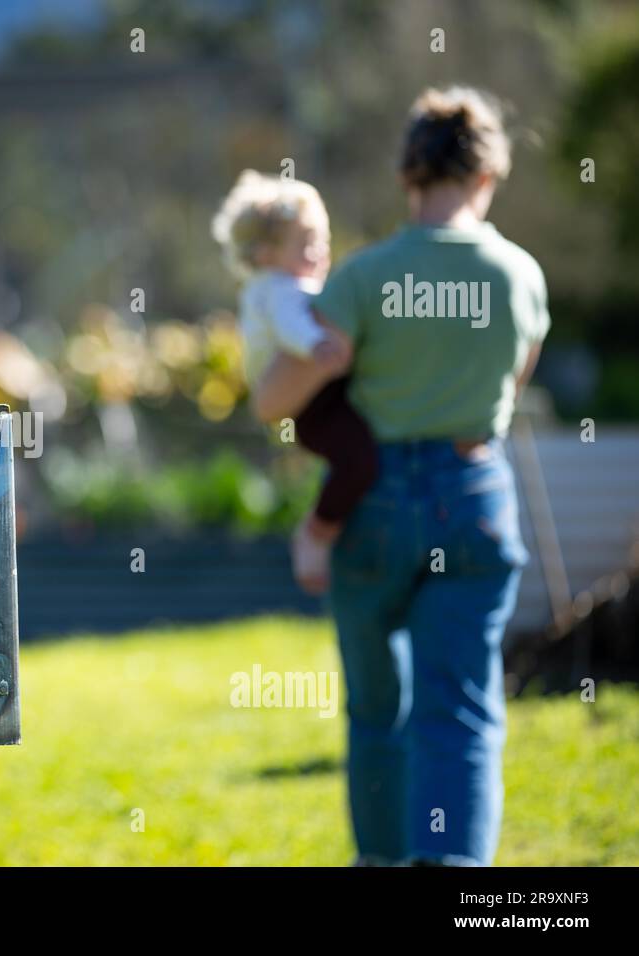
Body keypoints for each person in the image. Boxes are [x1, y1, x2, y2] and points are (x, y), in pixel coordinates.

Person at [250, 86, 551, 866]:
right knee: (459, 711)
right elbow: (510, 390)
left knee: (378, 711)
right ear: (487, 177)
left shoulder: (362, 277)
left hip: (373, 502)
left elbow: (276, 399)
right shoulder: (521, 275)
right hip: (473, 492)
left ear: (407, 176)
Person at [212, 171, 377, 594]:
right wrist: (318, 344)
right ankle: (317, 533)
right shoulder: (275, 288)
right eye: (305, 243)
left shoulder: (290, 281)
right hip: (308, 406)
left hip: (316, 397)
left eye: (321, 239)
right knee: (359, 460)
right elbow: (291, 324)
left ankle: (333, 523)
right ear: (265, 254)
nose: (319, 251)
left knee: (356, 458)